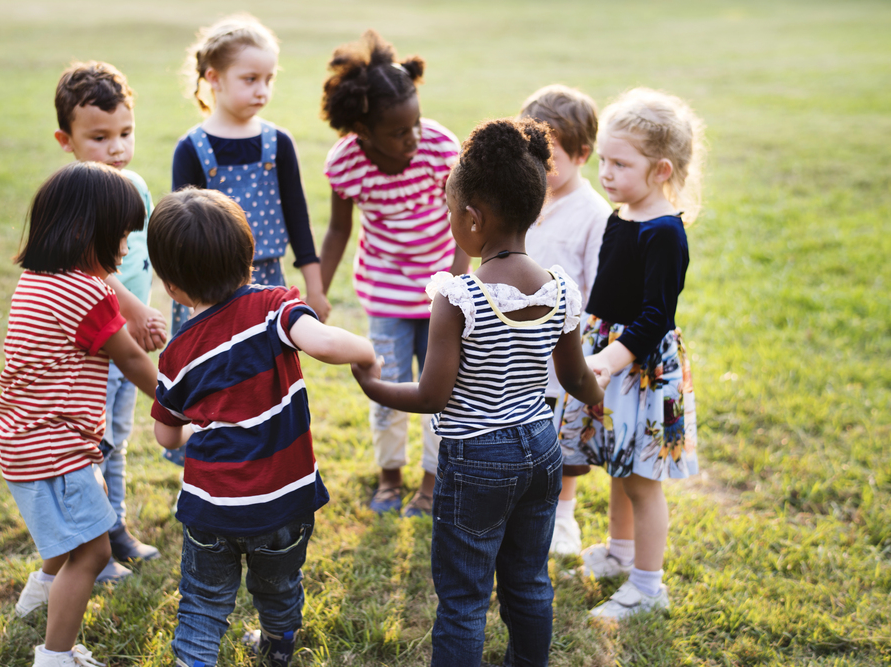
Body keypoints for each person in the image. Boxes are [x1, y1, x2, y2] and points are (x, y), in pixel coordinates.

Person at [352, 118, 608, 666]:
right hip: (541, 449)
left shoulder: (459, 295)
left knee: (465, 597)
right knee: (529, 581)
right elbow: (575, 376)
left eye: (451, 214)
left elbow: (432, 396)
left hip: (476, 460)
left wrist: (376, 386)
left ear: (472, 218)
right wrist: (596, 391)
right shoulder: (560, 288)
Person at [146, 188, 377, 667]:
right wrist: (368, 352)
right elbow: (325, 343)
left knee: (204, 604)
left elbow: (166, 436)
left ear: (170, 286)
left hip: (211, 508)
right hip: (282, 502)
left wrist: (193, 434)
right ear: (250, 258)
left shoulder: (176, 356)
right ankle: (276, 649)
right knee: (278, 587)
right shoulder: (274, 307)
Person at [0, 162, 159, 667]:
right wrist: (178, 401)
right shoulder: (87, 293)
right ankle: (56, 655)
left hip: (27, 440)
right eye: (120, 236)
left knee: (73, 533)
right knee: (92, 553)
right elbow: (129, 359)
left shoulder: (41, 279)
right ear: (86, 233)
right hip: (53, 446)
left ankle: (37, 600)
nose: (126, 249)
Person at [558, 87, 704, 619]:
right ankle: (620, 553)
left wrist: (609, 359)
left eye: (621, 163)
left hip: (641, 367)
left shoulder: (665, 233)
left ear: (662, 170)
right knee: (619, 464)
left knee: (643, 480)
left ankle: (648, 586)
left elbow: (656, 316)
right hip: (610, 354)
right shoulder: (621, 217)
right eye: (603, 161)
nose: (607, 174)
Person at [319, 30, 468, 517]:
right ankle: (388, 478)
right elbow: (340, 231)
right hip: (384, 295)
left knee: (438, 389)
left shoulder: (439, 148)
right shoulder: (346, 163)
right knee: (384, 387)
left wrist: (455, 284)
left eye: (416, 124)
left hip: (440, 293)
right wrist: (317, 288)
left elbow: (465, 220)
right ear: (362, 129)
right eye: (399, 132)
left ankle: (430, 483)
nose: (413, 138)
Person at [52, 61, 164, 581]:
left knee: (117, 439)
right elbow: (90, 266)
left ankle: (114, 528)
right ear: (66, 140)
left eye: (125, 133)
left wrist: (160, 300)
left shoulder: (134, 185)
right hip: (92, 351)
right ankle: (89, 543)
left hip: (128, 342)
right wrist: (136, 310)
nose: (116, 148)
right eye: (99, 137)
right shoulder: (77, 196)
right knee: (90, 445)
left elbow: (142, 255)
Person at [170, 13, 328, 335]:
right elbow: (179, 233)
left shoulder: (279, 143)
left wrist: (316, 288)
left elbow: (297, 217)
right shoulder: (191, 148)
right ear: (214, 78)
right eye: (250, 79)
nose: (262, 90)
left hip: (267, 281)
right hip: (206, 284)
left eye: (269, 79)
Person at [518, 84, 612, 556]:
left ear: (582, 153)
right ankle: (518, 502)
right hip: (514, 344)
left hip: (562, 347)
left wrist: (584, 351)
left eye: (549, 157)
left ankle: (563, 515)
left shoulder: (594, 214)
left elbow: (597, 290)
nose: (539, 166)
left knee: (561, 441)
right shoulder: (527, 197)